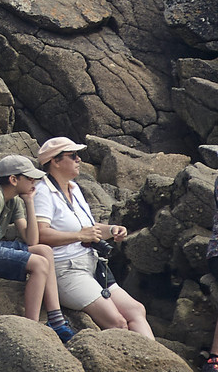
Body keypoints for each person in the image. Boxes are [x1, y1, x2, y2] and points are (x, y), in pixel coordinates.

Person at [32, 136, 153, 334]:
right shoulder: (43, 191)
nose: (79, 159)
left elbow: (87, 227)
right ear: (54, 161)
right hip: (66, 269)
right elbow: (40, 235)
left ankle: (155, 362)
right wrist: (79, 236)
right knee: (117, 322)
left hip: (92, 264)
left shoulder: (74, 188)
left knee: (137, 310)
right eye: (73, 156)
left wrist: (111, 229)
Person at [0, 153, 74, 340]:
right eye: (29, 178)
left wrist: (29, 202)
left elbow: (32, 240)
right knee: (39, 264)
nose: (34, 182)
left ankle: (55, 318)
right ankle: (31, 325)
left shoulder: (14, 201)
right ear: (13, 179)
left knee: (44, 251)